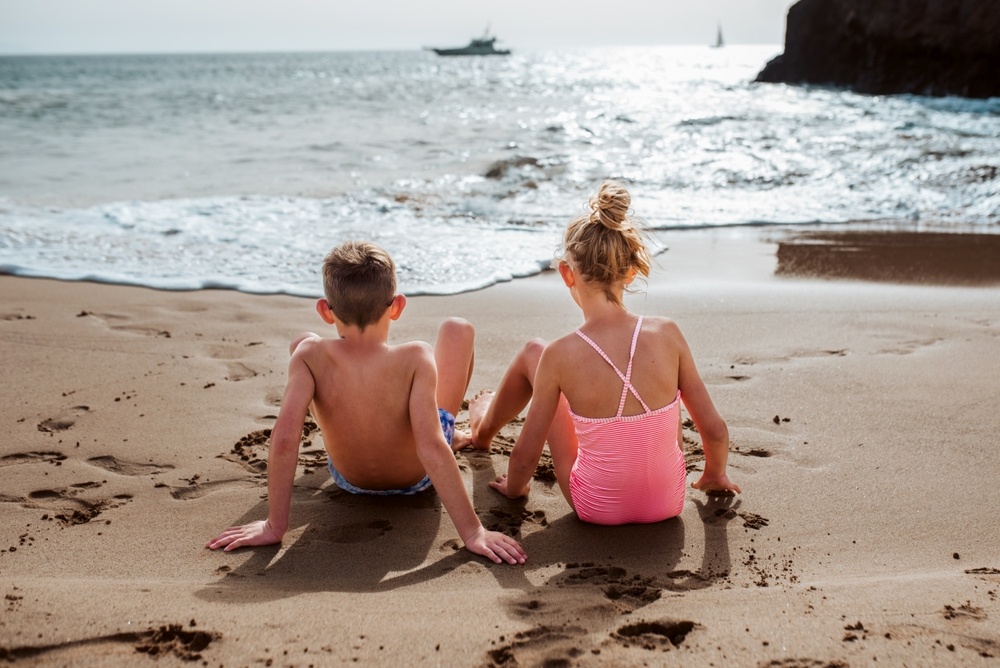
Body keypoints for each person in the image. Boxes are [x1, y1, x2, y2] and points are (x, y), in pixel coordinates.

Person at [207, 241, 526, 564]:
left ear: (325, 311)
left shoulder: (310, 357)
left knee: (301, 344)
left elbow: (286, 438)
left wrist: (274, 525)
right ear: (397, 306)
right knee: (458, 329)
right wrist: (473, 532)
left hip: (349, 479)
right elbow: (430, 447)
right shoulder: (416, 356)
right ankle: (470, 434)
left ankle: (354, 433)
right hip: (416, 480)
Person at [465, 181, 740, 525]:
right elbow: (714, 430)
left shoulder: (560, 355)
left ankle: (481, 431)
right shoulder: (668, 333)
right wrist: (715, 474)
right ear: (630, 271)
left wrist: (516, 489)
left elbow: (525, 456)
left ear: (567, 273)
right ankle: (482, 427)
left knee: (534, 354)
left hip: (597, 509)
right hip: (669, 503)